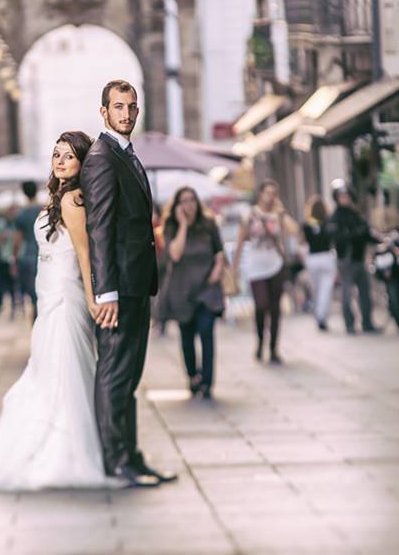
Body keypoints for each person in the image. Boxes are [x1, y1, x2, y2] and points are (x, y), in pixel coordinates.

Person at [0, 132, 111, 490]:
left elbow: (85, 253)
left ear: (82, 162)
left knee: (63, 369)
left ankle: (66, 450)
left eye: (69, 156)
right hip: (47, 291)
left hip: (65, 296)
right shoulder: (58, 198)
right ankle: (56, 445)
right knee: (48, 368)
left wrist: (90, 298)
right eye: (56, 154)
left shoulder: (73, 200)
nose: (60, 161)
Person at [81, 79, 176, 488]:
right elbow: (100, 228)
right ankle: (115, 458)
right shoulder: (102, 158)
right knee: (115, 373)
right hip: (119, 288)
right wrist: (106, 292)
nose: (126, 113)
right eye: (118, 107)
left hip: (137, 283)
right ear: (103, 112)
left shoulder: (126, 153)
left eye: (131, 106)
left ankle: (131, 456)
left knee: (130, 376)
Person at [160, 187, 225, 399]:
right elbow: (175, 255)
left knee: (206, 331)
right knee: (186, 336)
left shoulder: (209, 224)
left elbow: (219, 251)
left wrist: (217, 268)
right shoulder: (171, 227)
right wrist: (184, 225)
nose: (189, 204)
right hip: (182, 290)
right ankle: (192, 375)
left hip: (207, 288)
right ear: (177, 206)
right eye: (183, 201)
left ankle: (207, 381)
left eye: (192, 200)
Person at [232, 179, 297, 364]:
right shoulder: (250, 215)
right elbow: (239, 243)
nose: (270, 197)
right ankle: (260, 341)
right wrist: (235, 269)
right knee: (261, 305)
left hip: (276, 265)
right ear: (260, 194)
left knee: (275, 308)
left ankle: (274, 348)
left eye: (273, 193)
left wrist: (282, 212)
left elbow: (294, 230)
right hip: (256, 267)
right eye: (267, 193)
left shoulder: (278, 214)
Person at [325, 181, 377, 334]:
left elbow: (367, 233)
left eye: (346, 195)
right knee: (347, 294)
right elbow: (335, 237)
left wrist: (379, 238)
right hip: (345, 260)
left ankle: (367, 322)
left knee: (365, 292)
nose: (345, 198)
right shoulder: (335, 217)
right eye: (341, 196)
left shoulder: (356, 214)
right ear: (336, 198)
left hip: (359, 258)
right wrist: (354, 234)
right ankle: (349, 323)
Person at [301, 194, 336, 331]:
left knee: (316, 288)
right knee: (326, 289)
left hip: (313, 258)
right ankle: (322, 315)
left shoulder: (306, 224)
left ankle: (318, 314)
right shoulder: (328, 223)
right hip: (326, 257)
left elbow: (302, 241)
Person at [12, 181, 41, 321]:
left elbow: (17, 240)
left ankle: (36, 329)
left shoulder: (21, 215)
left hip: (28, 257)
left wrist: (14, 258)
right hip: (46, 255)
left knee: (34, 297)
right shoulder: (44, 209)